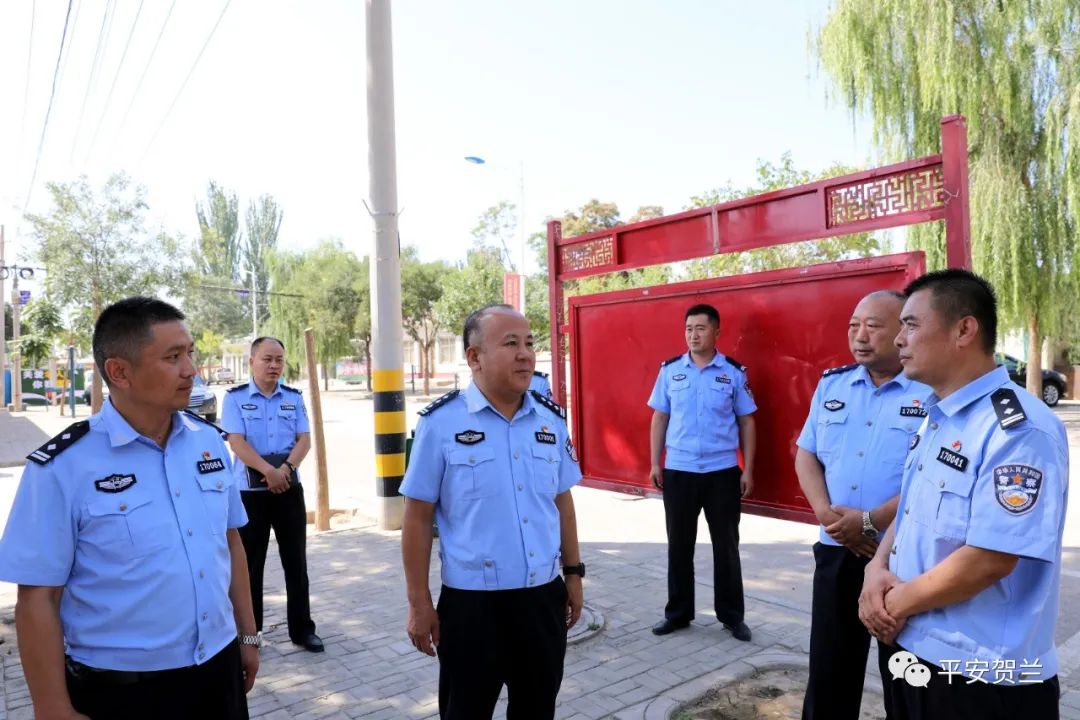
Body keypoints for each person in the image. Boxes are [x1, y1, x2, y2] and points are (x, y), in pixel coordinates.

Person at [0, 297, 258, 720]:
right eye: (173, 357)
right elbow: (37, 598)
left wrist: (247, 636)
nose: (191, 369)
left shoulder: (208, 442)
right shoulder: (63, 467)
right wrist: (51, 706)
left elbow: (230, 541)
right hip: (124, 692)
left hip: (218, 671)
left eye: (190, 353)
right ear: (120, 372)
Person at [859, 269, 1067, 718]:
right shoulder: (938, 415)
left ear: (964, 330)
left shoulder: (1017, 428)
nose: (898, 338)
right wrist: (876, 569)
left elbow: (991, 558)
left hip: (979, 673)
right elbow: (911, 507)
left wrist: (891, 605)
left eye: (911, 324)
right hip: (911, 646)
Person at [401, 304, 584, 720]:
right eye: (510, 343)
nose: (525, 354)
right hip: (471, 609)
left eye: (530, 343)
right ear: (474, 356)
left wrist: (573, 574)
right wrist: (418, 603)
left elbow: (562, 501)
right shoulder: (440, 424)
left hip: (541, 599)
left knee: (537, 710)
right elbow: (416, 516)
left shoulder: (550, 421)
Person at [796, 290, 931, 720]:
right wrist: (825, 514)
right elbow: (806, 453)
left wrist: (871, 522)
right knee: (830, 670)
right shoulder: (832, 384)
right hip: (836, 551)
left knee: (904, 672)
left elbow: (931, 476)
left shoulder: (930, 393)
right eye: (854, 325)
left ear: (903, 330)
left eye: (873, 325)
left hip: (897, 558)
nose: (860, 336)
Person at [648, 303, 756, 641]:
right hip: (678, 470)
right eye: (689, 329)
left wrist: (747, 468)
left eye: (701, 328)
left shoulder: (733, 373)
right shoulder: (670, 371)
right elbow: (660, 418)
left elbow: (747, 421)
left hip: (722, 472)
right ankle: (678, 614)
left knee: (726, 546)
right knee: (678, 545)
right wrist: (655, 462)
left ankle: (732, 616)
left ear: (716, 332)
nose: (693, 335)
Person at [221, 337, 323, 652]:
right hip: (250, 492)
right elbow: (236, 443)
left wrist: (285, 471)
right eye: (267, 359)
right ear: (252, 360)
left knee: (296, 563)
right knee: (250, 566)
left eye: (279, 359)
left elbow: (304, 439)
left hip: (289, 489)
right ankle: (252, 636)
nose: (274, 365)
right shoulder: (235, 399)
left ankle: (302, 630)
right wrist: (269, 471)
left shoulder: (293, 398)